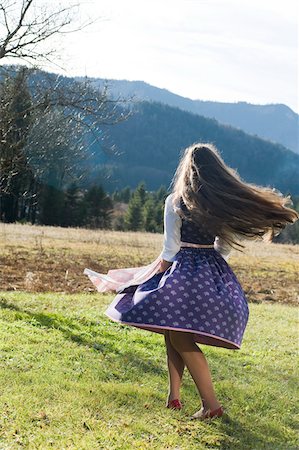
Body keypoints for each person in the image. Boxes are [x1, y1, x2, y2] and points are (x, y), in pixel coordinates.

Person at [84, 143, 298, 421]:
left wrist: (148, 276)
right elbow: (224, 246)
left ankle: (211, 405)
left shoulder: (175, 202)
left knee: (180, 336)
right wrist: (212, 260)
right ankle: (174, 396)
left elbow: (170, 250)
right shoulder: (219, 205)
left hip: (182, 272)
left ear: (187, 170)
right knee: (172, 330)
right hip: (212, 271)